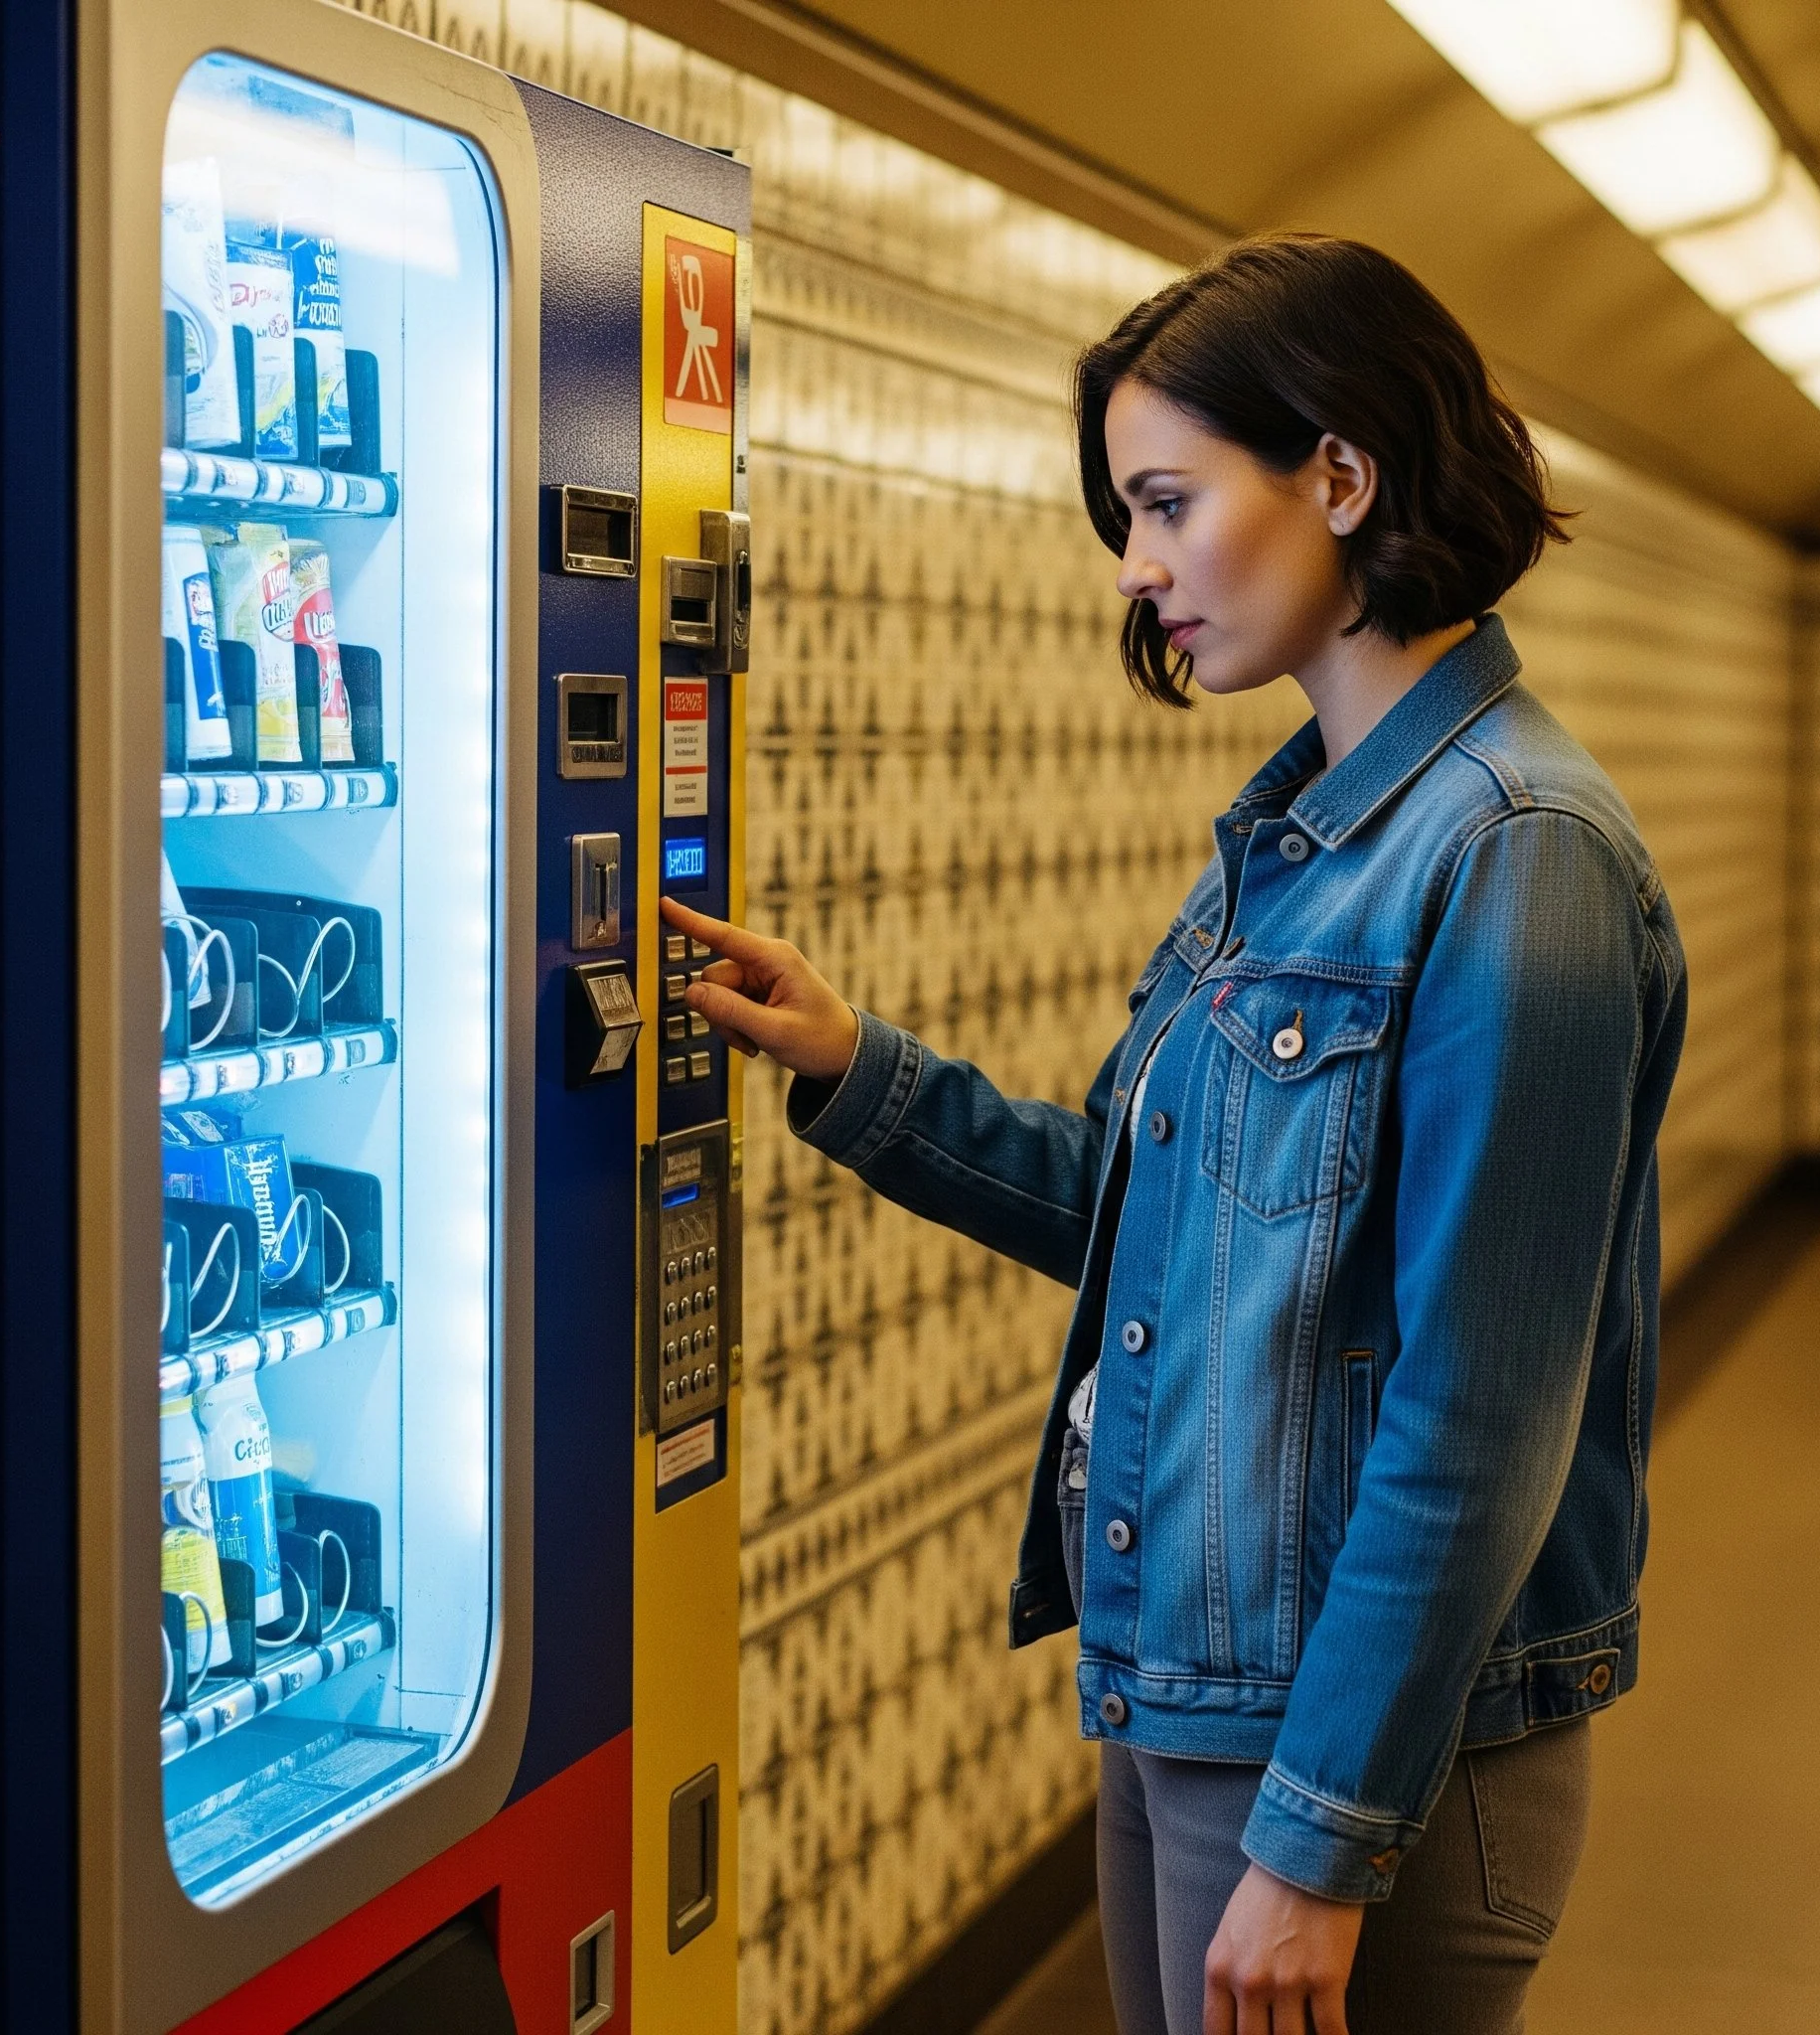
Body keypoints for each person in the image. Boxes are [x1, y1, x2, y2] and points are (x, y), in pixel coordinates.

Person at [664, 233, 1686, 2035]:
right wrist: (857, 1069)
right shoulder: (1301, 845)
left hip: (1364, 1757)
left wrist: (1320, 1839)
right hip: (1195, 1698)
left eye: (1164, 501)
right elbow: (1167, 1224)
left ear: (1341, 475)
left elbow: (1484, 1408)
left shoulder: (1518, 856)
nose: (1136, 573)